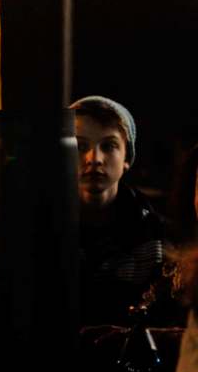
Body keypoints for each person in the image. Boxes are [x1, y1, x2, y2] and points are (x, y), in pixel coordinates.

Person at [70, 96, 179, 326]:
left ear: (127, 158)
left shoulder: (157, 235)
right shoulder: (40, 227)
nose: (94, 159)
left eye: (109, 146)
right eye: (80, 146)